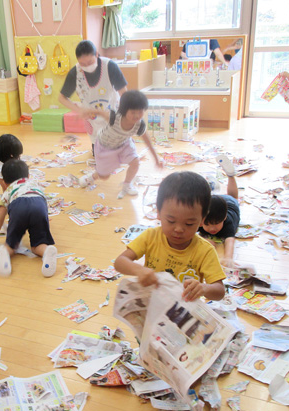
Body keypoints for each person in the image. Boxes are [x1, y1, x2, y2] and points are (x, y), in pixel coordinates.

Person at [115, 171, 226, 301]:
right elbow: (120, 262)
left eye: (189, 224)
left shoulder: (205, 251)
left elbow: (220, 291)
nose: (178, 229)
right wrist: (138, 270)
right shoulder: (151, 236)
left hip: (184, 309)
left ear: (202, 220)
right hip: (152, 303)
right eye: (171, 221)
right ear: (158, 212)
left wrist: (204, 288)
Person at [0, 159, 57, 278]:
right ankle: (46, 252)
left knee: (12, 245)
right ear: (28, 176)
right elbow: (44, 205)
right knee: (37, 245)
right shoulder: (34, 184)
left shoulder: (9, 190)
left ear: (4, 182)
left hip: (18, 207)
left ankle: (5, 252)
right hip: (39, 205)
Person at [78, 90, 162, 198]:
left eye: (140, 112)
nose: (137, 115)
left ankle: (127, 185)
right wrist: (86, 112)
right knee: (104, 176)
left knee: (135, 162)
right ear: (124, 110)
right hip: (105, 146)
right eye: (133, 112)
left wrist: (156, 159)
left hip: (124, 144)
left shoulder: (140, 125)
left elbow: (148, 142)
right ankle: (92, 177)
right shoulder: (114, 118)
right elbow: (100, 112)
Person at [59, 40, 127, 154]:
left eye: (90, 62)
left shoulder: (110, 66)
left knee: (117, 152)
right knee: (99, 153)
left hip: (111, 114)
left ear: (96, 54)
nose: (87, 66)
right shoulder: (75, 72)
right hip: (93, 120)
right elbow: (62, 98)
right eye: (83, 64)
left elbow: (124, 93)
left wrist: (125, 116)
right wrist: (79, 110)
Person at [199, 155, 240, 266]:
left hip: (231, 204)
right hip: (216, 203)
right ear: (201, 220)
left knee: (234, 197)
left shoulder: (228, 223)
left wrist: (228, 258)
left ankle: (230, 175)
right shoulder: (200, 221)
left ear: (224, 218)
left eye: (216, 223)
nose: (212, 228)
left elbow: (230, 241)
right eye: (207, 224)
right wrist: (204, 240)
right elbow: (189, 233)